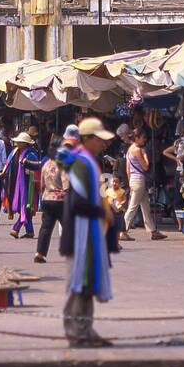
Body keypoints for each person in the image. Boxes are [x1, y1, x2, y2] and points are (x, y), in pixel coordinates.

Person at [59, 116, 114, 347]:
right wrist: (102, 213)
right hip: (80, 233)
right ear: (88, 139)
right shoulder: (82, 163)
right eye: (99, 140)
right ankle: (76, 330)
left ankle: (85, 329)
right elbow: (78, 203)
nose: (103, 144)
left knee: (86, 283)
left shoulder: (88, 162)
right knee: (80, 283)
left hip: (87, 231)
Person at [125, 128, 167, 241]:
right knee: (133, 207)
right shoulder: (137, 150)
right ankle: (122, 230)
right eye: (143, 138)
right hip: (139, 180)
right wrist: (145, 154)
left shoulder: (129, 149)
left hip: (134, 180)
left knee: (145, 207)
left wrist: (130, 182)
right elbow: (146, 166)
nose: (144, 140)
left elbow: (127, 169)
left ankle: (153, 231)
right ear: (137, 138)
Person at [34, 136, 69, 263]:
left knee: (46, 227)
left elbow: (41, 184)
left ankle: (40, 253)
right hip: (60, 200)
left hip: (47, 198)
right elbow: (66, 185)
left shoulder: (46, 164)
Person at [3, 131, 43, 239]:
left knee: (25, 207)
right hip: (17, 184)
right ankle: (29, 231)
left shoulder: (31, 155)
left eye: (20, 142)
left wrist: (30, 172)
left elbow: (37, 170)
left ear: (26, 143)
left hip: (28, 185)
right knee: (24, 208)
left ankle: (16, 228)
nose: (18, 144)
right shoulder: (15, 153)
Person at [103, 173, 128, 254]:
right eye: (113, 181)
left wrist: (122, 204)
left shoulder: (122, 191)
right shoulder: (107, 191)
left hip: (119, 212)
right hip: (110, 212)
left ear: (120, 183)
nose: (114, 183)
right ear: (110, 183)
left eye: (116, 182)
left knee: (118, 229)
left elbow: (125, 200)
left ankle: (116, 243)